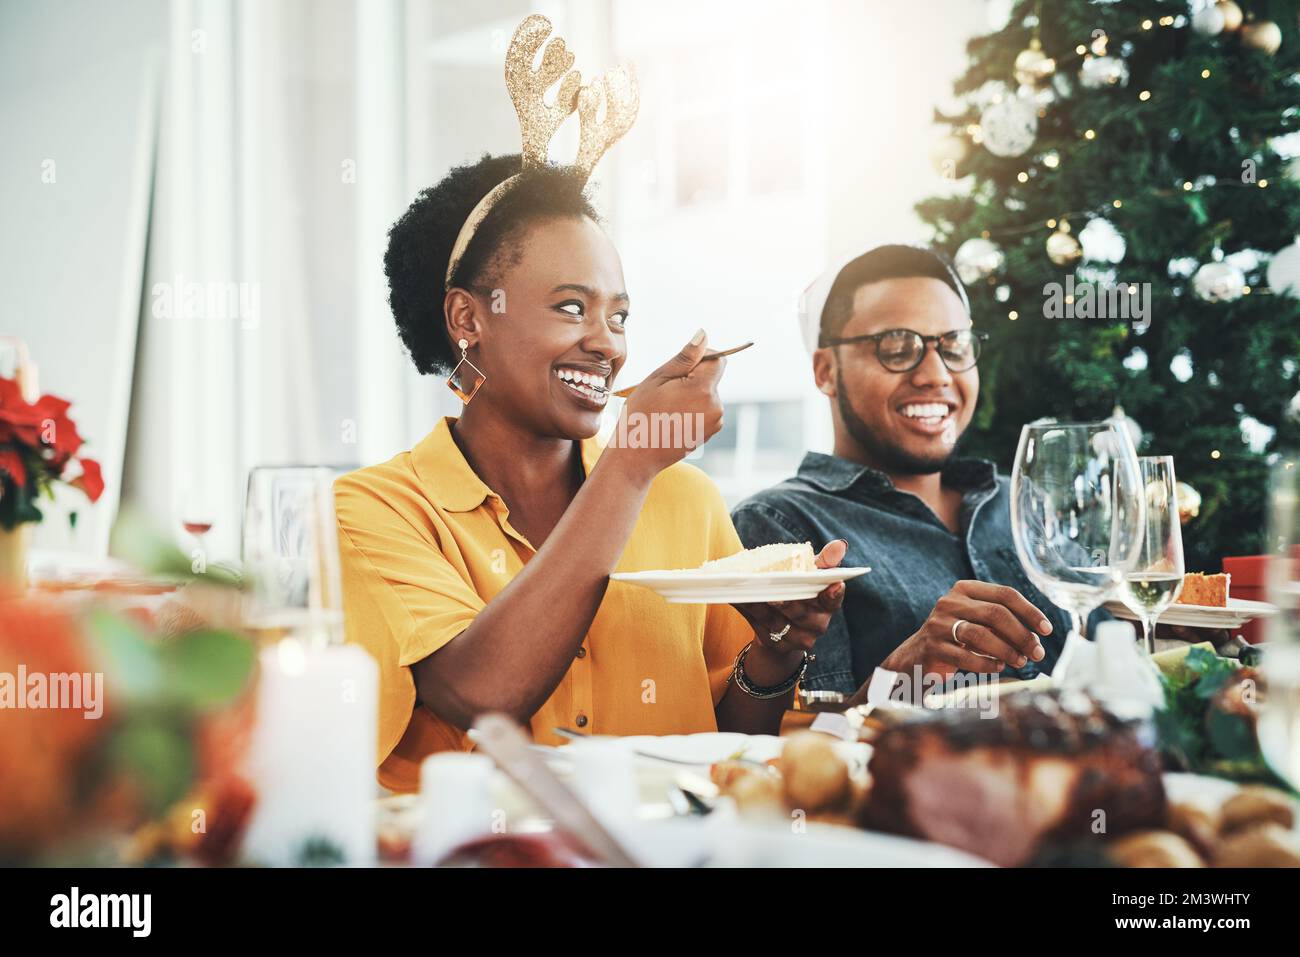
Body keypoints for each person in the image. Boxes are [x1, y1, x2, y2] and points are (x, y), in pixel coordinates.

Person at [334, 156, 846, 792]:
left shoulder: (685, 498)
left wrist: (775, 652)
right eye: (572, 307)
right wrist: (631, 462)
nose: (609, 345)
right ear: (469, 319)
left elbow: (731, 744)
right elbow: (478, 697)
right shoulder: (374, 509)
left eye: (620, 316)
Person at [732, 245, 1074, 702]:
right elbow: (812, 748)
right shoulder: (780, 526)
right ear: (825, 371)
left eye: (953, 346)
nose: (935, 375)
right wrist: (905, 672)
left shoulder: (1021, 503)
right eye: (896, 346)